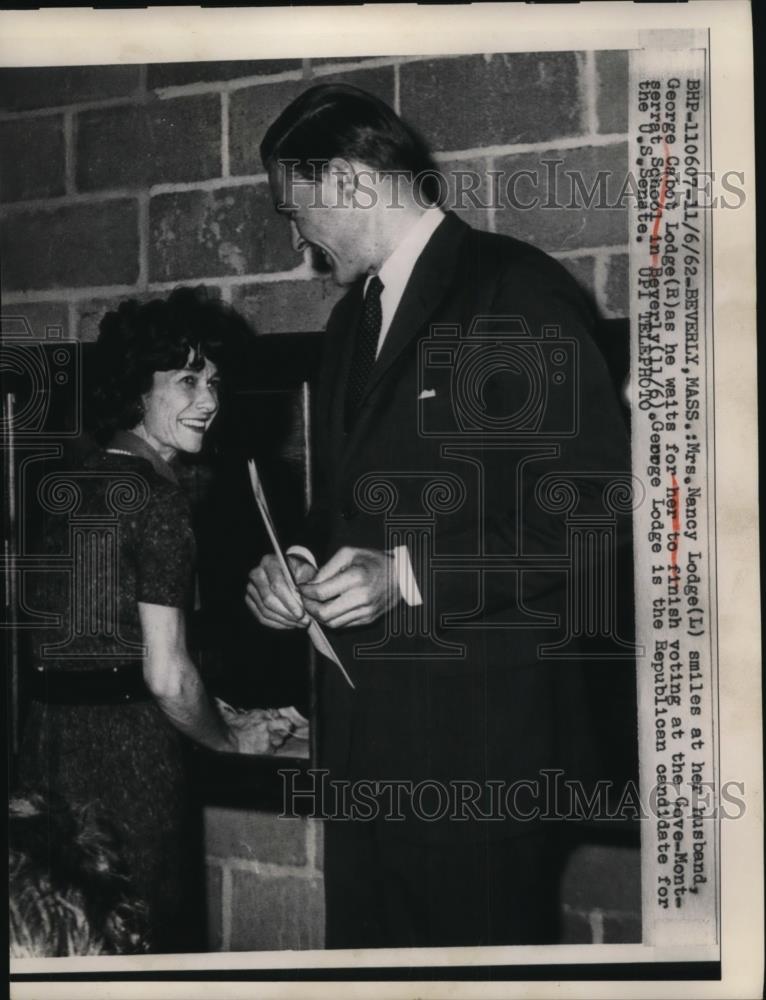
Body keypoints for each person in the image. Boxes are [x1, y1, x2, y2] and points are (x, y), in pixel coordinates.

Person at [246, 84, 633, 949]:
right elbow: (345, 509)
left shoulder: (513, 290)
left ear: (349, 181)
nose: (294, 238)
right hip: (364, 757)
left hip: (479, 765)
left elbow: (594, 506)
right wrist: (297, 563)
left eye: (292, 208)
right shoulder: (351, 324)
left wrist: (409, 576)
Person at [19, 287, 287, 953]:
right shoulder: (159, 501)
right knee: (147, 947)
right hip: (130, 774)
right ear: (138, 390)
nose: (209, 401)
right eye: (187, 381)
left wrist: (215, 708)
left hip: (48, 758)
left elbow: (97, 651)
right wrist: (229, 741)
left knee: (66, 939)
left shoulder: (75, 482)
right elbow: (166, 677)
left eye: (214, 382)